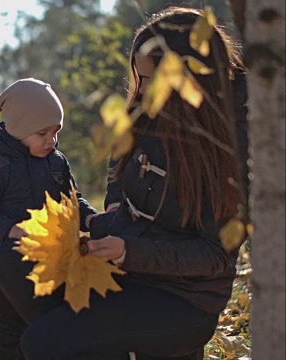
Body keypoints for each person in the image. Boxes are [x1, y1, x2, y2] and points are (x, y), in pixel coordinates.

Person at [19, 7, 246, 360]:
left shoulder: (226, 147)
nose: (143, 93)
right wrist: (100, 222)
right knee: (30, 306)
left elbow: (214, 255)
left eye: (154, 80)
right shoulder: (141, 121)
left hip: (184, 299)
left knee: (47, 342)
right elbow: (118, 188)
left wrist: (127, 249)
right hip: (131, 274)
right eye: (140, 79)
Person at [0, 78, 98, 359]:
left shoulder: (56, 161)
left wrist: (94, 220)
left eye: (56, 131)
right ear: (16, 129)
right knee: (13, 326)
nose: (51, 140)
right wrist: (10, 229)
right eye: (42, 133)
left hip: (52, 260)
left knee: (48, 322)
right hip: (8, 263)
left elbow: (72, 201)